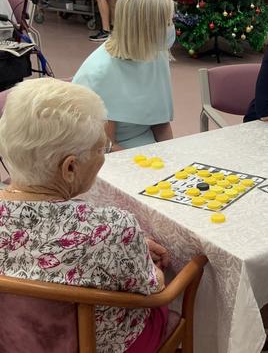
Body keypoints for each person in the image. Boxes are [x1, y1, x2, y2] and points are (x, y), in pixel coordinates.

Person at [0, 78, 171, 353]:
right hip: (97, 344)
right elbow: (153, 287)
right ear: (70, 168)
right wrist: (137, 253)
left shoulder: (113, 233)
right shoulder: (113, 228)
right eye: (101, 148)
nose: (102, 156)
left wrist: (126, 247)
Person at [73, 0, 175, 151]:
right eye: (166, 23)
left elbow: (161, 124)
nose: (171, 28)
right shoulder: (100, 72)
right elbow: (107, 146)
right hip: (112, 154)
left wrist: (172, 157)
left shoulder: (156, 54)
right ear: (144, 29)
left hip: (148, 149)